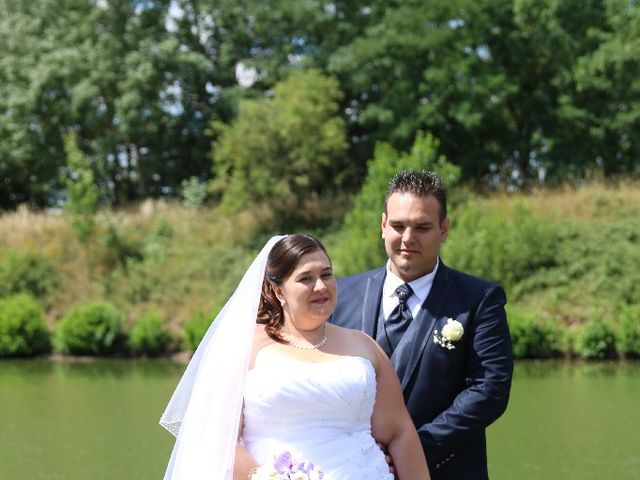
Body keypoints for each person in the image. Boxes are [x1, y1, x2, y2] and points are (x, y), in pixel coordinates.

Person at [160, 234, 429, 480]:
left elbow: (399, 431)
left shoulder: (363, 345)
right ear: (278, 291)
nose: (321, 286)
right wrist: (263, 476)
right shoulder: (243, 347)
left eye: (327, 274)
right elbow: (216, 439)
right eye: (306, 278)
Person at [330, 170, 513, 479]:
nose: (408, 239)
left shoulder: (480, 299)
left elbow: (489, 390)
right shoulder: (341, 294)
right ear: (383, 226)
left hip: (444, 469)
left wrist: (413, 448)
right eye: (398, 226)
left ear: (444, 229)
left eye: (422, 227)